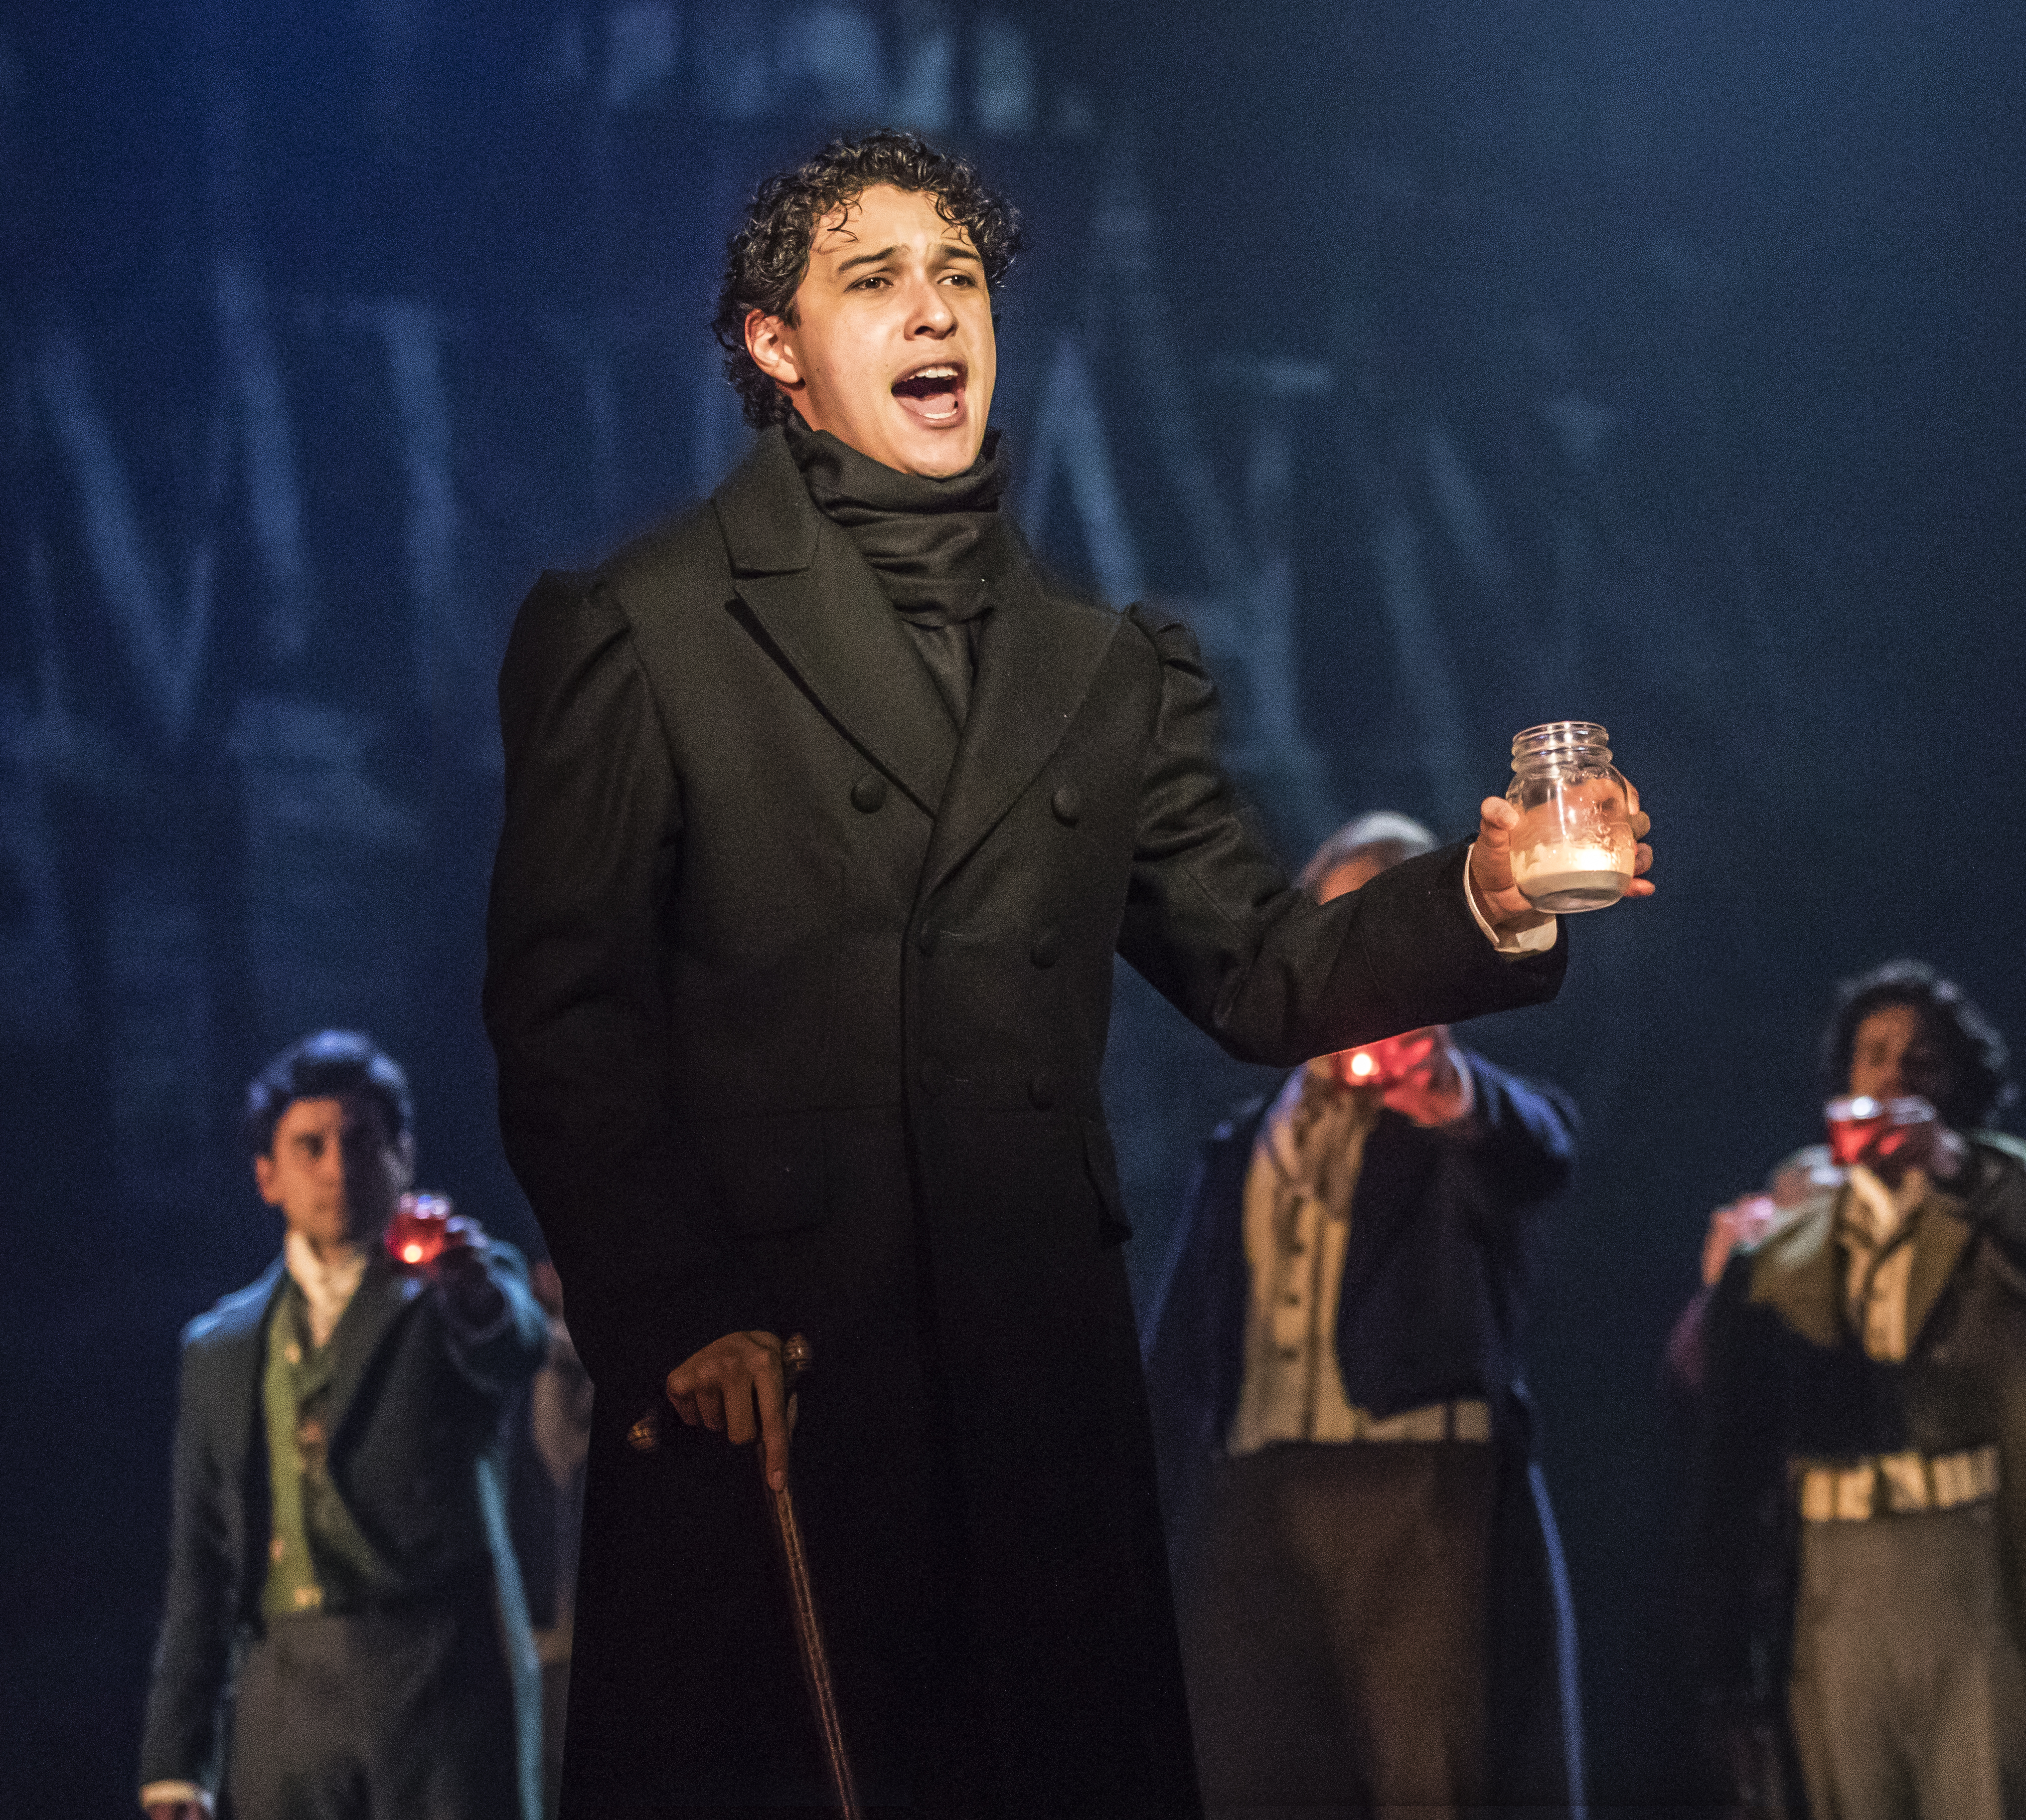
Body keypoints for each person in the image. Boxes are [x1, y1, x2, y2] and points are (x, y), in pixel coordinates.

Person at [481, 130, 1652, 1818]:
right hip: (777, 1392)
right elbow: (562, 1014)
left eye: (958, 275)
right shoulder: (641, 629)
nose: (933, 308)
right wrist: (676, 1306)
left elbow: (1259, 970)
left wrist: (1480, 890)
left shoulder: (1104, 668)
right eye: (873, 279)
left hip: (1034, 1393)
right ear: (771, 344)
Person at [1143, 813, 1585, 1820]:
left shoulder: (1453, 1112)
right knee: (1248, 1769)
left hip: (1412, 1483)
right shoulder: (1245, 1137)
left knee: (1426, 1772)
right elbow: (1182, 1351)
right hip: (1253, 1492)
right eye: (1336, 915)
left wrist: (1444, 1089)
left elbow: (1541, 1146)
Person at [1688, 962, 2026, 1820]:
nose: (1894, 1076)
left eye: (1924, 1060)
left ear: (1959, 1084)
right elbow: (1714, 1401)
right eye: (1874, 1055)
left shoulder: (2000, 1200)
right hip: (1835, 1567)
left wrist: (1951, 1162)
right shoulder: (1793, 1235)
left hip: (1959, 1554)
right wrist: (1723, 1286)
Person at [137, 1031, 550, 1820]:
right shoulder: (221, 1346)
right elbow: (201, 1561)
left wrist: (467, 1293)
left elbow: (513, 1342)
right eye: (311, 1147)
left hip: (435, 1680)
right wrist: (175, 1761)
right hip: (284, 1696)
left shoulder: (450, 1285)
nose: (338, 1168)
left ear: (404, 1155)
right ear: (268, 1176)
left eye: (362, 1143)